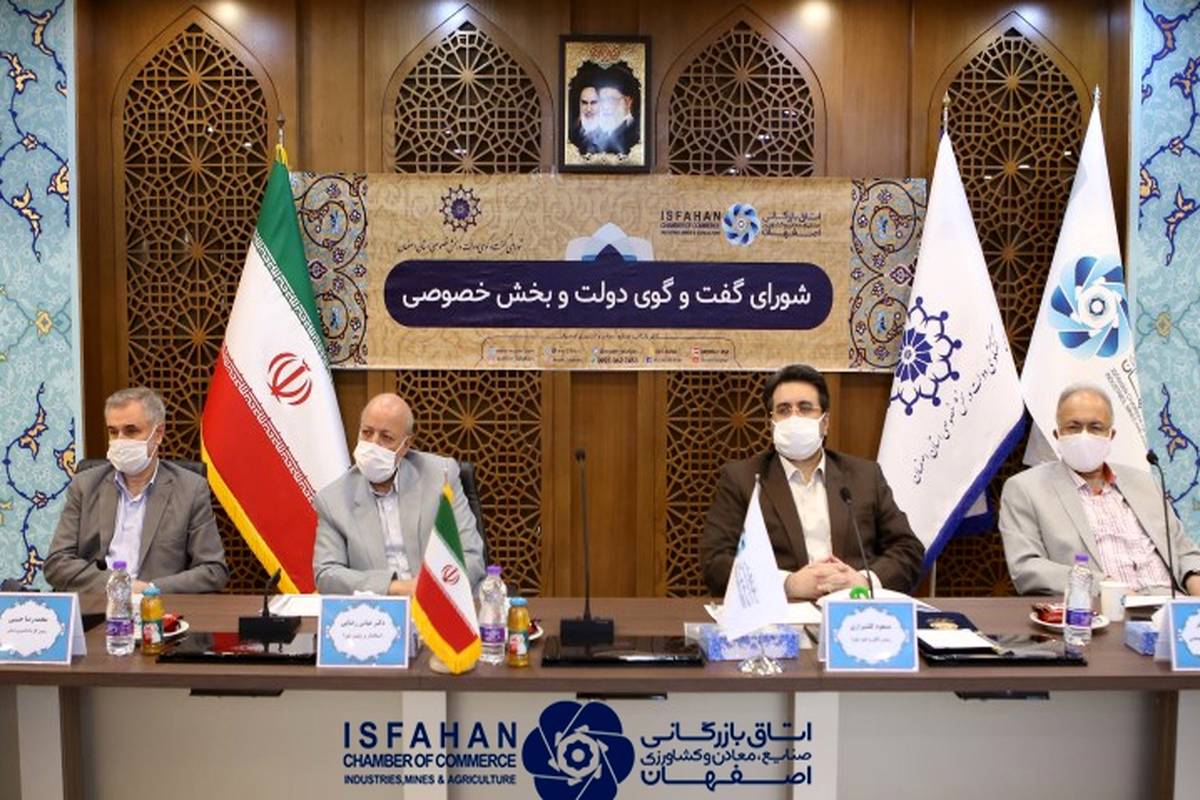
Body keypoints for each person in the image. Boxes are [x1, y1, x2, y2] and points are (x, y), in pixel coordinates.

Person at [701, 364, 925, 599]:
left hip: (853, 609)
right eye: (784, 410)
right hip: (782, 611)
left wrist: (863, 581)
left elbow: (908, 549)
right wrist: (786, 584)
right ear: (771, 423)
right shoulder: (742, 479)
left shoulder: (865, 476)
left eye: (805, 408)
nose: (794, 417)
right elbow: (715, 562)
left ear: (825, 423)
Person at [999, 383, 1200, 596]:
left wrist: (1194, 580)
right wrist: (1106, 587)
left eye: (1095, 427)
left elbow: (1183, 552)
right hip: (1101, 606)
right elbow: (1027, 568)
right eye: (1073, 427)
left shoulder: (1145, 483)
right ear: (1058, 434)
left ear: (1110, 435)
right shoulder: (1025, 489)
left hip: (1173, 605)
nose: (1084, 436)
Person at [44, 387, 229, 593]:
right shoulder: (85, 485)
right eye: (113, 432)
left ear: (158, 434)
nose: (120, 440)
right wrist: (117, 584)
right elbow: (56, 563)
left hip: (157, 606)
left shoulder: (190, 489)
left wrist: (150, 589)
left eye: (131, 431)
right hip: (98, 602)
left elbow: (213, 570)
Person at [313, 392, 485, 595]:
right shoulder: (333, 500)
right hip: (377, 607)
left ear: (406, 445)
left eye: (386, 437)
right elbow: (327, 574)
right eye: (367, 433)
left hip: (440, 602)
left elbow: (471, 556)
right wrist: (396, 588)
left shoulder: (442, 476)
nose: (373, 444)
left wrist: (431, 590)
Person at [568, 85, 602, 155]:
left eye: (593, 103)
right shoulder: (571, 132)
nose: (588, 109)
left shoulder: (609, 135)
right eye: (584, 103)